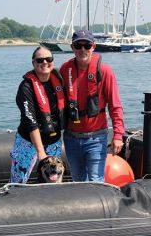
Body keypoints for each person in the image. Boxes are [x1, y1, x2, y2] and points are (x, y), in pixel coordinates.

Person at [60, 29, 125, 182]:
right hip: (71, 138)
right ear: (72, 48)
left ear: (93, 47)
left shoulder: (105, 71)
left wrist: (118, 135)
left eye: (87, 45)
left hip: (96, 138)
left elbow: (115, 105)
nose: (82, 49)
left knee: (96, 180)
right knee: (78, 181)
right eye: (78, 45)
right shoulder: (65, 69)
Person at [10, 46, 65, 183]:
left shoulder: (58, 81)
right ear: (33, 63)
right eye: (40, 60)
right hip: (28, 141)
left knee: (53, 181)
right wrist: (40, 152)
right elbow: (30, 121)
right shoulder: (26, 87)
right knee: (18, 182)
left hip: (53, 141)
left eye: (48, 59)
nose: (45, 62)